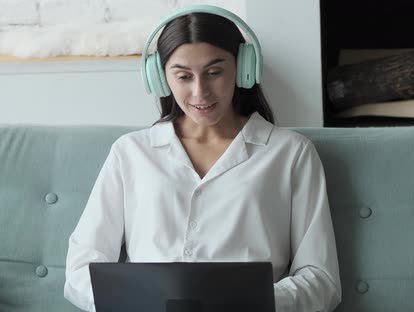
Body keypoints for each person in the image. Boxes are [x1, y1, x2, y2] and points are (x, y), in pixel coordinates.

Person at [64, 5, 341, 312]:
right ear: (159, 78)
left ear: (243, 67)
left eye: (214, 72)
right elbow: (81, 267)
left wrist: (251, 303)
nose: (200, 92)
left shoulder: (291, 153)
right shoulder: (130, 153)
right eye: (183, 76)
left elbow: (321, 279)